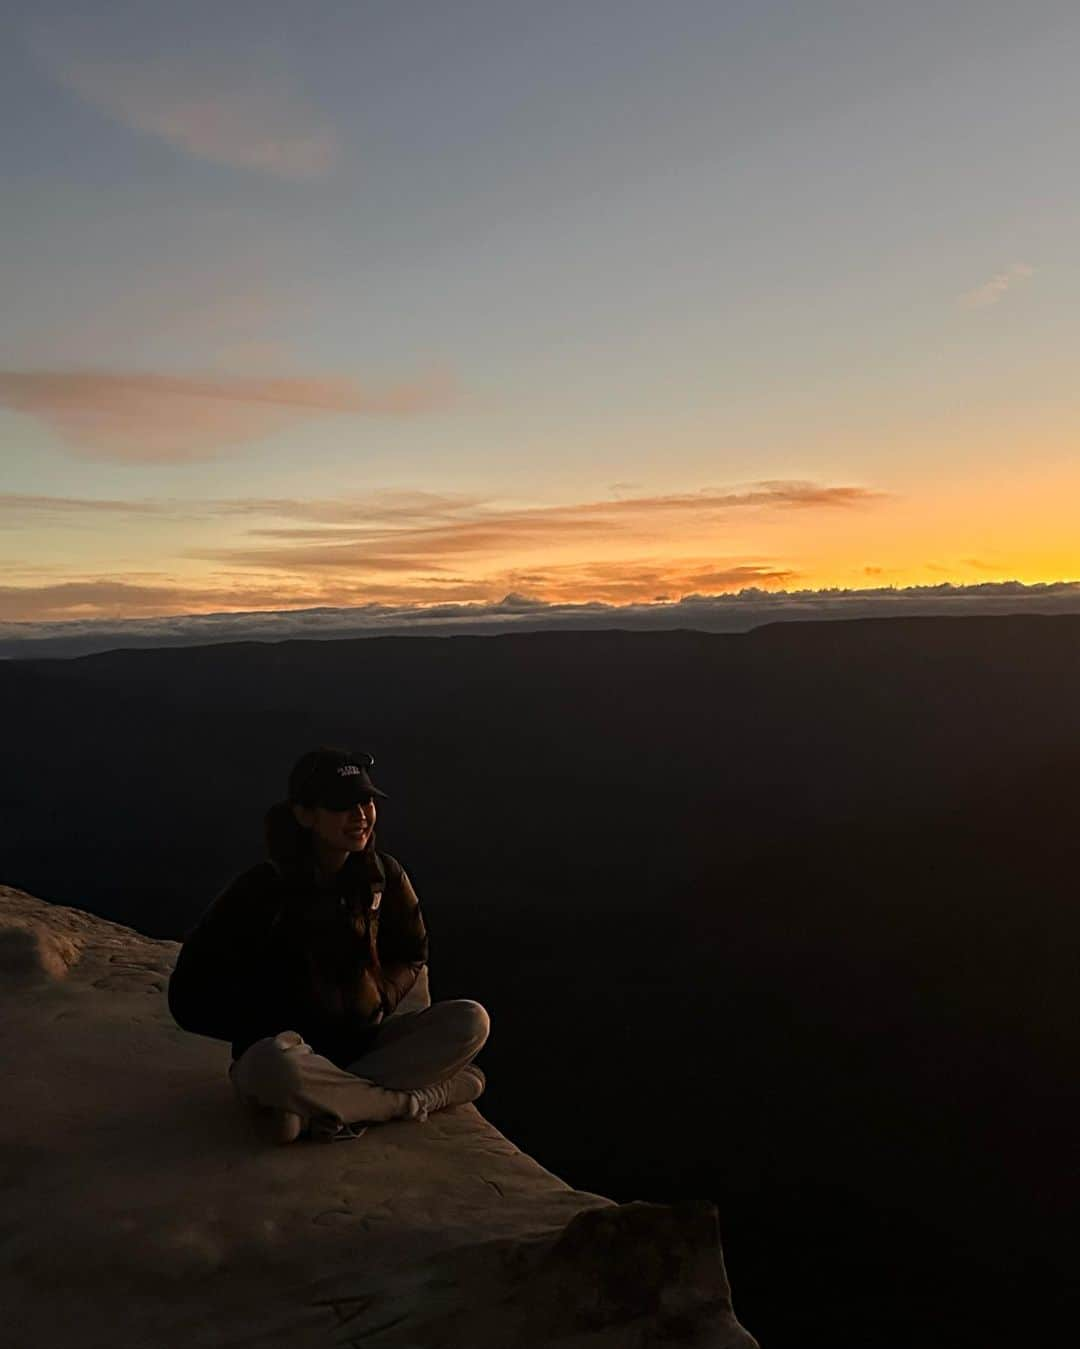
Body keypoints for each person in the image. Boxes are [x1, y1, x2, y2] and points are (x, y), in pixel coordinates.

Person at [167, 747, 489, 1144]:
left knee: (470, 1022)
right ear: (304, 814)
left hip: (364, 1044)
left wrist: (381, 999)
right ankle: (420, 1099)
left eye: (366, 801)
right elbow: (187, 996)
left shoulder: (382, 875)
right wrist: (264, 1020)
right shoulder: (262, 889)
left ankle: (314, 1107)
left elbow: (411, 951)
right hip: (288, 1054)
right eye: (342, 805)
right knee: (277, 1070)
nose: (361, 815)